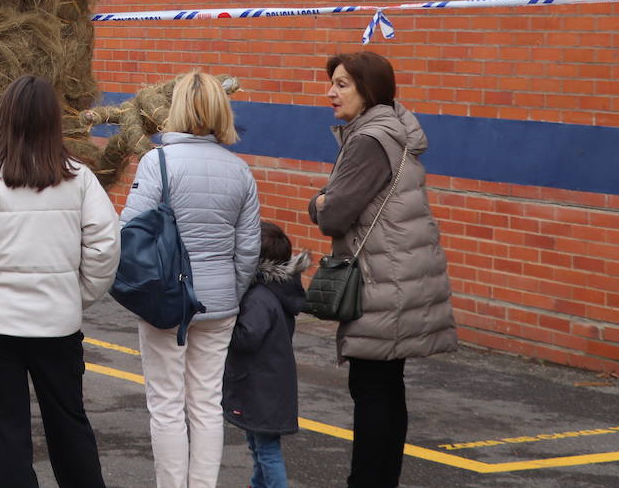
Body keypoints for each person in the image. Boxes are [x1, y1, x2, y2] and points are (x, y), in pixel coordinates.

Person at [0, 75, 120, 488]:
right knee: (69, 425)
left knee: (4, 436)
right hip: (58, 325)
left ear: (3, 119)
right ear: (53, 122)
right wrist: (78, 296)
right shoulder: (79, 179)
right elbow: (105, 246)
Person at [309, 51, 457, 488]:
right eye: (331, 83)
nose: (329, 92)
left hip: (381, 280)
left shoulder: (369, 139)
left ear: (367, 89)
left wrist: (316, 203)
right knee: (387, 387)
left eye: (341, 84)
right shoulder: (394, 129)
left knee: (372, 391)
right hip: (400, 274)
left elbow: (334, 214)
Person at [122, 69, 260, 488]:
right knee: (205, 403)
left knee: (166, 405)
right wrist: (228, 296)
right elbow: (248, 249)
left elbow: (129, 231)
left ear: (176, 109)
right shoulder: (239, 171)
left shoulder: (157, 162)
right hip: (219, 304)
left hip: (166, 301)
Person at [222, 220, 310, 488]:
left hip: (260, 386)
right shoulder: (278, 290)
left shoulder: (260, 297)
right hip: (269, 383)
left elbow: (247, 337)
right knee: (258, 442)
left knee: (266, 449)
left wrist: (226, 325)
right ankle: (257, 484)